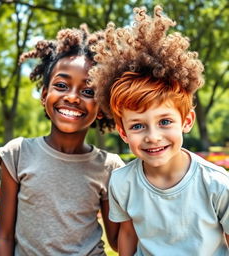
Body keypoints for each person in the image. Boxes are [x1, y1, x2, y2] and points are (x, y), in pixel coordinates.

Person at [89, 5, 229, 255]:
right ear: (123, 132)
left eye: (165, 122)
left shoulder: (217, 184)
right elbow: (128, 235)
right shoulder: (122, 183)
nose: (152, 136)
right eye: (138, 126)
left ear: (187, 121)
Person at [0, 24, 124, 256]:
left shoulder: (109, 167)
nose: (72, 97)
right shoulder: (18, 154)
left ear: (102, 106)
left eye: (88, 91)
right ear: (44, 95)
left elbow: (118, 242)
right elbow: (4, 236)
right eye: (62, 86)